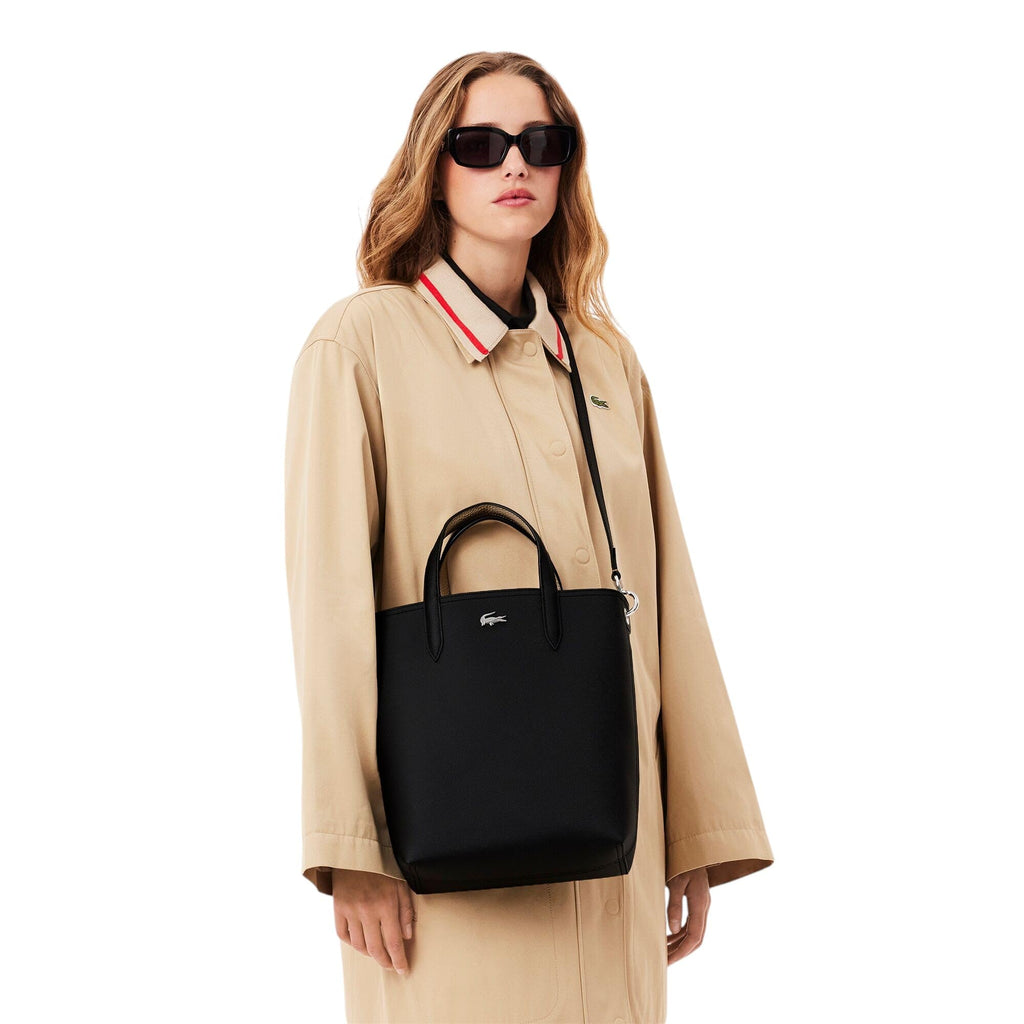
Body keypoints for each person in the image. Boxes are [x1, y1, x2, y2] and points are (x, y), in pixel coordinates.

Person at [284, 50, 774, 1024]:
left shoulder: (603, 361)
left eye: (541, 143)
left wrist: (692, 832)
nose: (515, 163)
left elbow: (667, 600)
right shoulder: (362, 344)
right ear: (433, 167)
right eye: (480, 144)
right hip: (449, 854)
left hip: (612, 839)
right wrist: (351, 850)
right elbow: (328, 606)